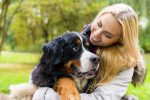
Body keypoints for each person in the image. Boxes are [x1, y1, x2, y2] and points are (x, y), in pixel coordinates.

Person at [10, 3, 146, 100]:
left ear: (120, 41)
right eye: (99, 24)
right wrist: (63, 81)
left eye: (108, 35)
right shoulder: (79, 38)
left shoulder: (125, 64)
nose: (96, 35)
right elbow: (43, 70)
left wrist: (43, 95)